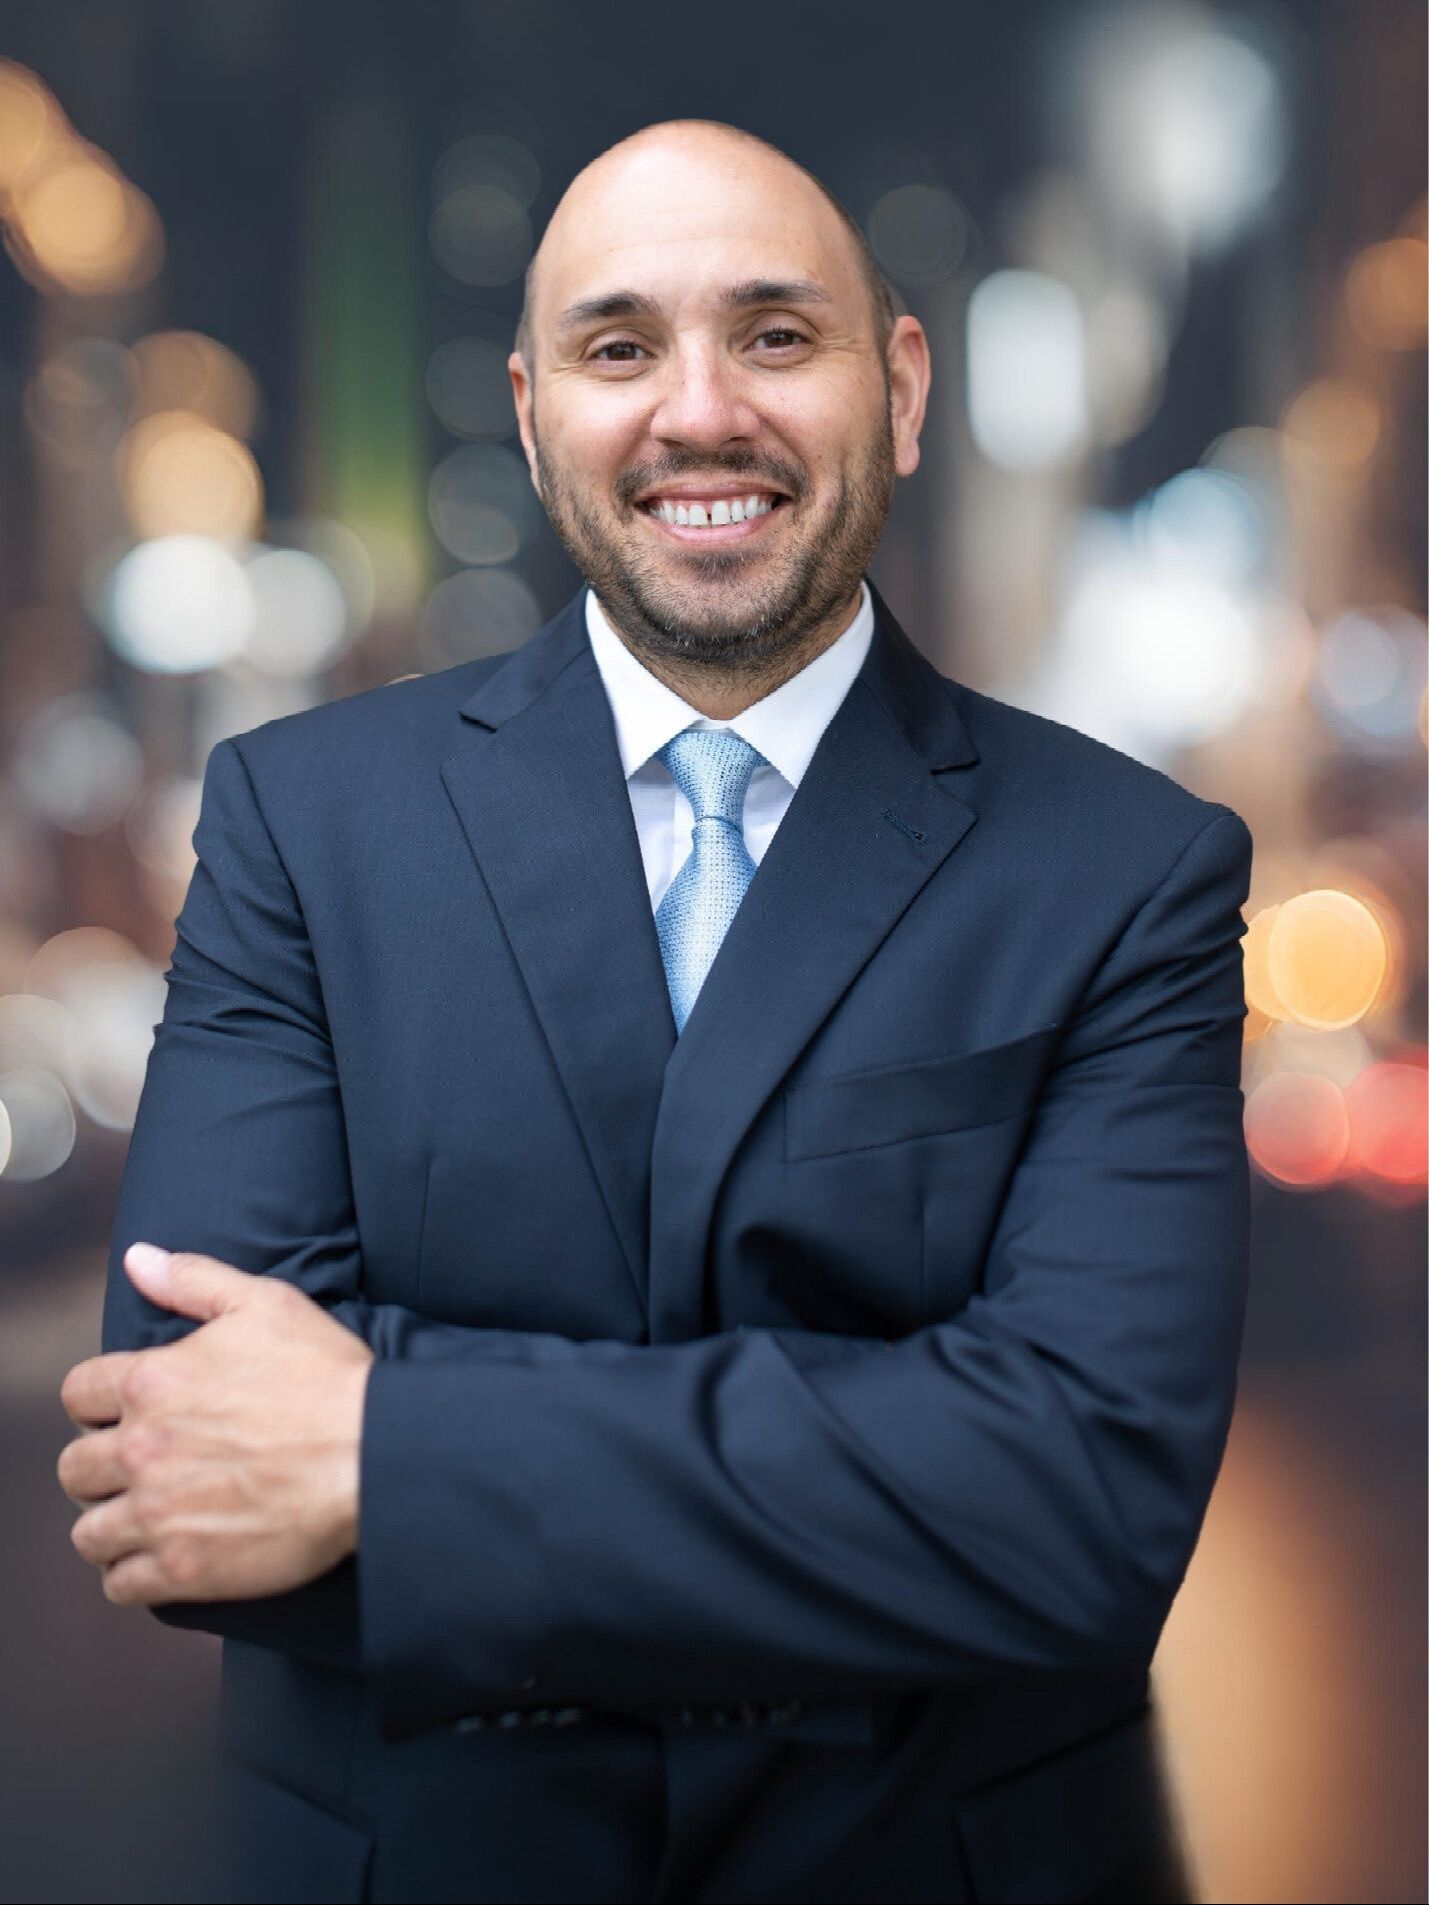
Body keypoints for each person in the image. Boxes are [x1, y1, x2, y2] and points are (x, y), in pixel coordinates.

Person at [57, 119, 1252, 1904]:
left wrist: (389, 1445)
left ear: (900, 387)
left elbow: (1078, 1504)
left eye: (777, 335)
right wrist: (880, 1460)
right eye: (621, 348)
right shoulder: (305, 822)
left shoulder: (1127, 870)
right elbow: (186, 1454)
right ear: (537, 415)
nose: (701, 411)